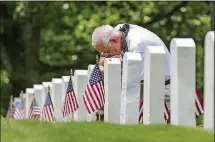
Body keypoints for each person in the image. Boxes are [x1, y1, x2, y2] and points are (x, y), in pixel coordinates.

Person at [91, 23, 171, 122]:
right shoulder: (118, 32)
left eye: (106, 51)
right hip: (148, 87)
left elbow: (135, 87)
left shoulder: (139, 46)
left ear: (113, 40)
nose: (106, 55)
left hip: (164, 90)